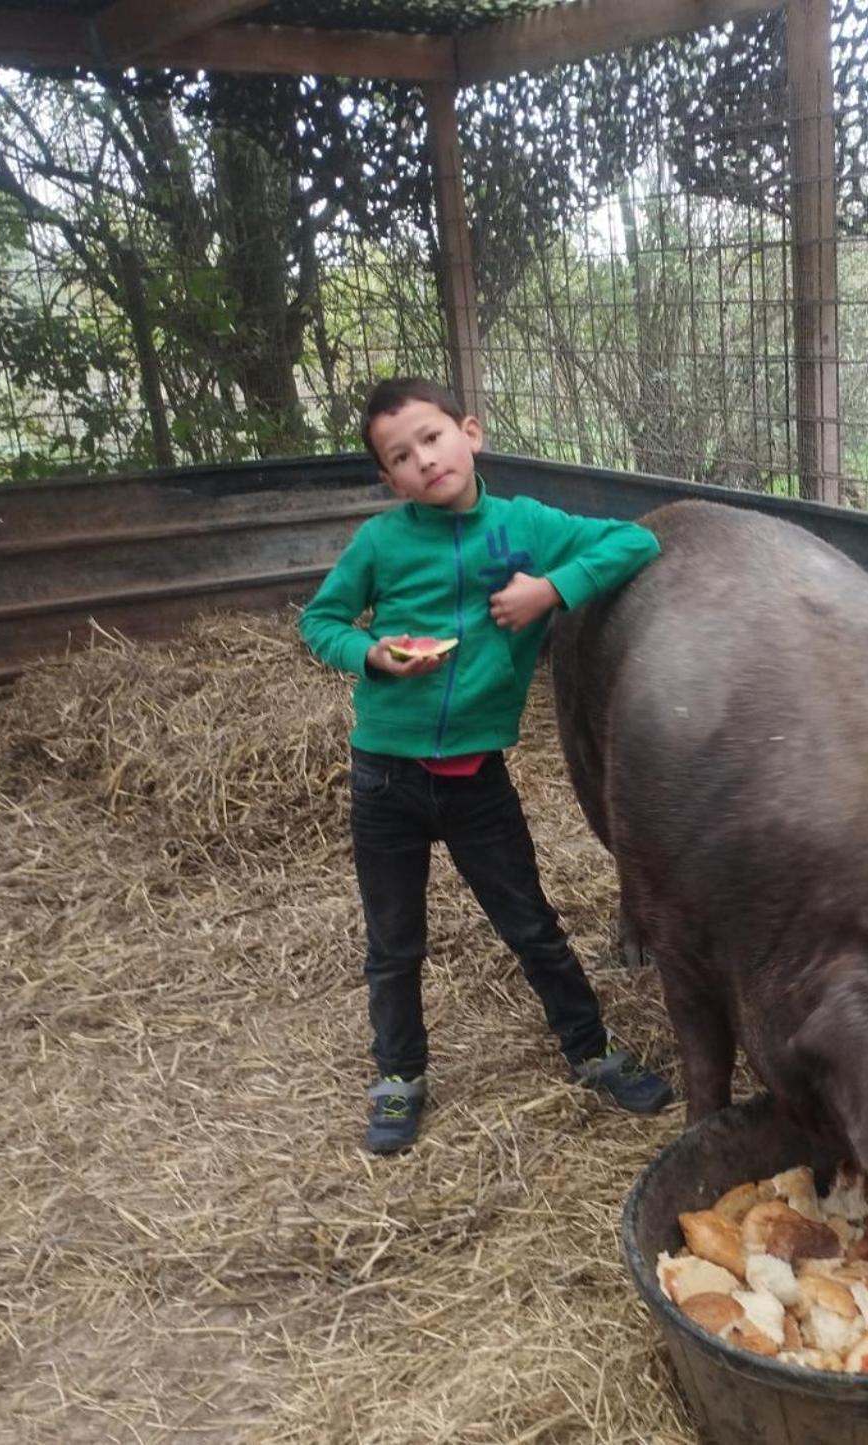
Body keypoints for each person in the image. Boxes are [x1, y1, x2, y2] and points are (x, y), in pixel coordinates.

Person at [302, 376, 672, 1152]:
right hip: (385, 778)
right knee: (393, 942)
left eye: (432, 438)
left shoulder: (525, 525)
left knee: (531, 924)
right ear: (388, 478)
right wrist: (371, 653)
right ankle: (399, 1076)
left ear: (469, 432)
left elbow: (635, 541)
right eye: (401, 456)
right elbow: (321, 619)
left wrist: (551, 590)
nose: (423, 461)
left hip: (476, 780)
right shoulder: (382, 542)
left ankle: (591, 1050)